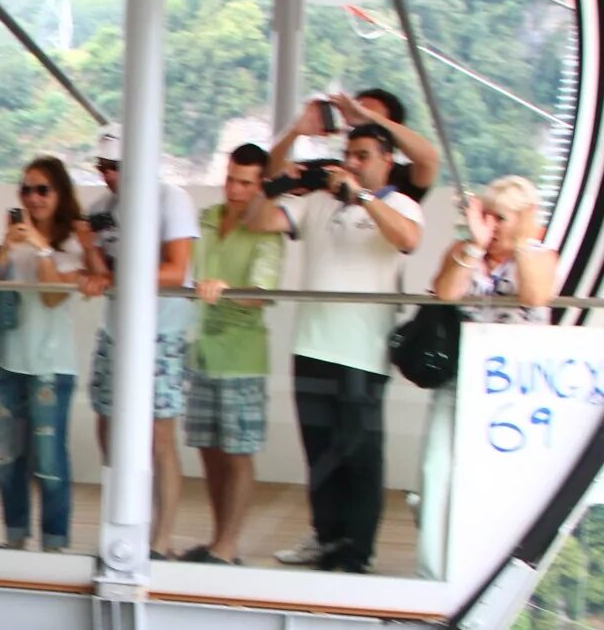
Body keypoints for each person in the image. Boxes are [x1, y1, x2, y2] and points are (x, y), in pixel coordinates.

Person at [252, 122, 424, 574]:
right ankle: (327, 539)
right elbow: (258, 220)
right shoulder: (317, 204)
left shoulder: (401, 204)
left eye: (364, 155)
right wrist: (284, 180)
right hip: (311, 344)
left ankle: (357, 551)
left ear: (387, 160)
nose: (353, 162)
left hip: (363, 353)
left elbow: (407, 239)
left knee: (361, 456)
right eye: (350, 154)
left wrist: (362, 197)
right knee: (321, 450)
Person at [419, 176, 556, 578]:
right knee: (437, 469)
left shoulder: (540, 254)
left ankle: (494, 567)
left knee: (502, 481)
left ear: (523, 219)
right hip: (461, 375)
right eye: (488, 216)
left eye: (502, 218)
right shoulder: (466, 251)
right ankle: (432, 572)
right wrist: (476, 244)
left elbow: (534, 295)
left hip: (513, 386)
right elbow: (445, 292)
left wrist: (523, 240)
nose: (493, 226)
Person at [78, 122, 199, 559]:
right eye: (103, 167)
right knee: (108, 426)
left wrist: (118, 277)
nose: (109, 175)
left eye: (116, 166)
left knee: (158, 438)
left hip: (161, 332)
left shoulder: (172, 198)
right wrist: (88, 249)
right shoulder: (100, 207)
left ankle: (161, 539)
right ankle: (123, 526)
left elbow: (177, 270)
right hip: (116, 329)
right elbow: (99, 271)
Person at [180, 144, 284, 566]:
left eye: (245, 182)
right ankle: (219, 538)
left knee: (239, 451)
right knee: (209, 448)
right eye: (230, 179)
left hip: (242, 354)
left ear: (261, 186)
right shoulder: (206, 219)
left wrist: (228, 289)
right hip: (201, 347)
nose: (235, 189)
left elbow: (262, 295)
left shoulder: (269, 231)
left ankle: (228, 543)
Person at [0, 158, 87, 551]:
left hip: (51, 365)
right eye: (26, 189)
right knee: (7, 458)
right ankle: (14, 536)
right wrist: (5, 252)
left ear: (60, 194)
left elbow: (53, 295)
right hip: (7, 361)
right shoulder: (14, 240)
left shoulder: (73, 244)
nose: (34, 198)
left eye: (43, 189)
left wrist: (43, 249)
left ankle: (55, 541)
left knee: (48, 460)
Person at [269, 87, 438, 203]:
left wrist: (368, 116)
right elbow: (269, 174)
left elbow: (429, 160)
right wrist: (294, 132)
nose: (358, 125)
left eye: (366, 121)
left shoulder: (402, 177)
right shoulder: (331, 169)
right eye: (353, 116)